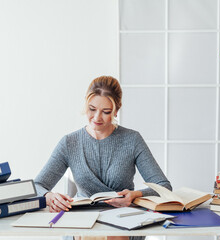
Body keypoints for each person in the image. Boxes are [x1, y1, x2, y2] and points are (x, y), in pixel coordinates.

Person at [34, 76, 171, 240]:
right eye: (92, 109)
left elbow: (164, 187)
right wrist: (49, 197)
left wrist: (135, 195)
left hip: (123, 221)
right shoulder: (69, 142)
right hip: (82, 222)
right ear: (85, 104)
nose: (97, 118)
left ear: (116, 110)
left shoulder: (132, 140)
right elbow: (37, 185)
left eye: (106, 112)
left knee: (113, 237)